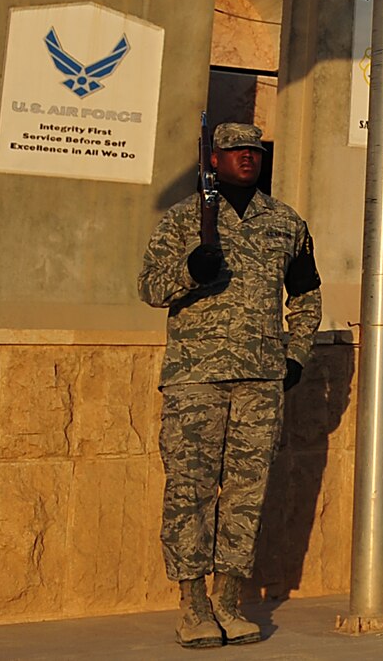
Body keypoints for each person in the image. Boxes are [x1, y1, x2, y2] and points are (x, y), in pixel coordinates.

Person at [139, 123, 321, 648]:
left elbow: (306, 294)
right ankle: (193, 604)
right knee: (189, 491)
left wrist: (297, 355)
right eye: (236, 152)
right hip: (195, 377)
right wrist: (191, 271)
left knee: (247, 493)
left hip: (261, 379)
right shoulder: (182, 220)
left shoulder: (285, 223)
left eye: (255, 152)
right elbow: (149, 287)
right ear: (213, 160)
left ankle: (229, 601)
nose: (248, 158)